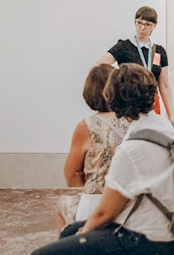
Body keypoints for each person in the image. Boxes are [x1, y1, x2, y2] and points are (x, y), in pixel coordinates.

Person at [32, 64, 174, 255]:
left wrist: (84, 232)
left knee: (43, 253)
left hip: (147, 238)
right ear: (152, 95)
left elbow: (105, 212)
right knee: (71, 232)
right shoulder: (165, 126)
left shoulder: (131, 149)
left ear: (115, 103)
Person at [55, 64, 128, 229]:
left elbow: (71, 177)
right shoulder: (133, 121)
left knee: (61, 204)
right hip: (129, 202)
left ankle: (70, 245)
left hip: (96, 204)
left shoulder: (86, 126)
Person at [95, 6, 173, 120]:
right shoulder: (124, 47)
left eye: (147, 24)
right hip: (129, 101)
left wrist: (170, 115)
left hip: (151, 102)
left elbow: (164, 85)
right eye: (139, 23)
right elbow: (98, 66)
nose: (142, 27)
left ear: (154, 26)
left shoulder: (159, 51)